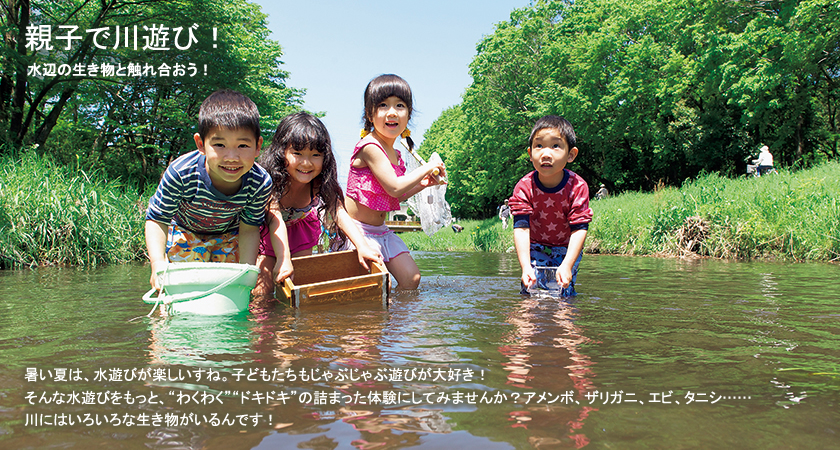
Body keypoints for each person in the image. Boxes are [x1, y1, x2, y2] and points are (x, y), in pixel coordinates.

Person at [145, 90, 271, 291]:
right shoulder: (181, 172)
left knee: (230, 287)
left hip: (230, 234)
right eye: (220, 144)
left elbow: (249, 229)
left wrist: (246, 273)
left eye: (242, 145)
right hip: (185, 232)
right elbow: (158, 219)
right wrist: (157, 265)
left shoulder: (259, 182)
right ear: (201, 144)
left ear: (258, 146)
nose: (232, 157)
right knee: (179, 287)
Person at [252, 112, 382, 297]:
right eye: (297, 153)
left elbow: (338, 211)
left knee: (299, 288)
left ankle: (295, 325)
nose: (306, 163)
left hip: (300, 233)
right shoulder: (272, 180)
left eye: (315, 155)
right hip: (269, 233)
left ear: (325, 157)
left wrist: (362, 246)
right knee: (261, 292)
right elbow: (275, 217)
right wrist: (283, 258)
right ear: (282, 152)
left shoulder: (319, 182)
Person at [344, 74, 446, 290]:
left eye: (399, 105)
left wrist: (424, 184)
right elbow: (394, 186)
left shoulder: (395, 153)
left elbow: (394, 196)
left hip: (381, 229)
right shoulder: (370, 146)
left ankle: (397, 323)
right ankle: (378, 322)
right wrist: (426, 167)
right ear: (370, 115)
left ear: (408, 115)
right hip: (358, 232)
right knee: (382, 285)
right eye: (383, 105)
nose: (391, 112)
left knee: (412, 279)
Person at [508, 115, 593, 297]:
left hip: (567, 248)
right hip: (535, 246)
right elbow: (521, 228)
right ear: (530, 154)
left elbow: (579, 229)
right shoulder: (524, 187)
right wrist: (525, 267)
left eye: (556, 146)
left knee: (563, 292)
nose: (546, 153)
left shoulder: (577, 187)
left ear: (571, 154)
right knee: (530, 289)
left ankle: (564, 323)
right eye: (539, 146)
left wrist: (568, 264)